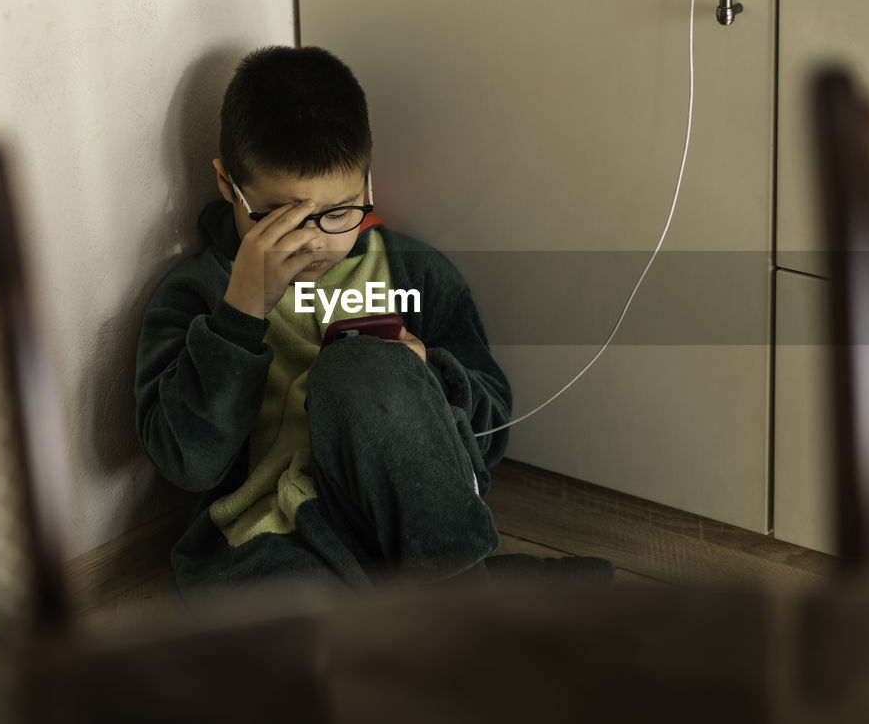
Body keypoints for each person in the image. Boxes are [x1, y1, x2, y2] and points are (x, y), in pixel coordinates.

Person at [137, 45, 608, 596]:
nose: (314, 240)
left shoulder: (415, 273)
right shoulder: (197, 292)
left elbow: (492, 421)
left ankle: (445, 595)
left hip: (418, 523)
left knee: (360, 368)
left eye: (339, 213)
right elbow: (187, 462)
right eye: (282, 220)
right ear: (227, 187)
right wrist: (239, 313)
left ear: (367, 181)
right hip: (277, 541)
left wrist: (423, 374)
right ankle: (454, 606)